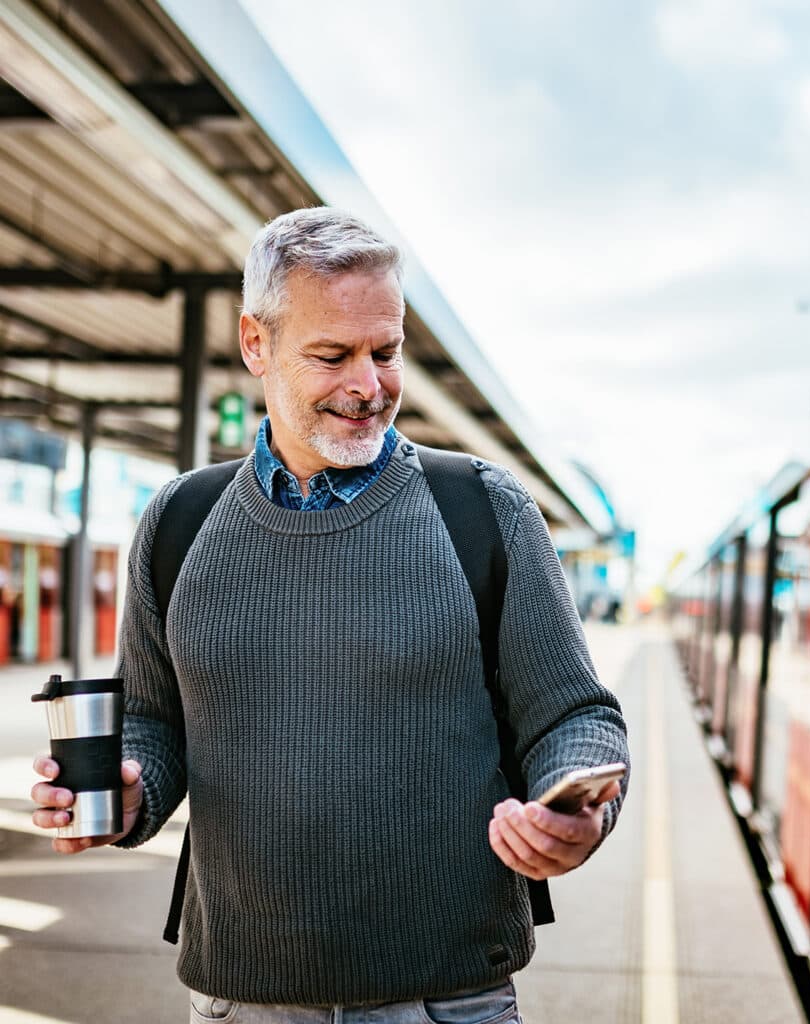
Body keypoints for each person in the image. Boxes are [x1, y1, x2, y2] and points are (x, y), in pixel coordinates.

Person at [30, 207, 629, 1023]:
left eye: (386, 352)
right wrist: (129, 796)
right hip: (240, 1001)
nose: (368, 384)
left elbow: (575, 714)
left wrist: (579, 805)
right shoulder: (178, 523)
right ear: (256, 345)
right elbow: (150, 723)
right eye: (332, 355)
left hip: (448, 1002)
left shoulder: (485, 511)